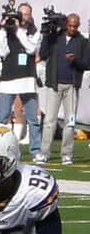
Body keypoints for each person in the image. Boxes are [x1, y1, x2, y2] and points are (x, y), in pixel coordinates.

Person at [35, 12, 88, 166]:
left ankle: (67, 154)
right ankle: (44, 153)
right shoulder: (55, 38)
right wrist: (47, 35)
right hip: (55, 85)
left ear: (78, 26)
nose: (72, 28)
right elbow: (43, 54)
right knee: (49, 121)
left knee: (70, 122)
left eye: (75, 26)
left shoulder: (82, 41)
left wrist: (75, 61)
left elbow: (86, 64)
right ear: (66, 24)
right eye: (70, 25)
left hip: (72, 86)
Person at [0, 2, 40, 147]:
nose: (23, 17)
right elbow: (2, 52)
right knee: (2, 116)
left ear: (30, 16)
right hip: (8, 79)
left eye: (26, 14)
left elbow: (31, 49)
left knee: (32, 118)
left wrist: (18, 31)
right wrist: (2, 29)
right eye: (21, 14)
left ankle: (36, 149)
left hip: (27, 79)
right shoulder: (8, 31)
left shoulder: (34, 32)